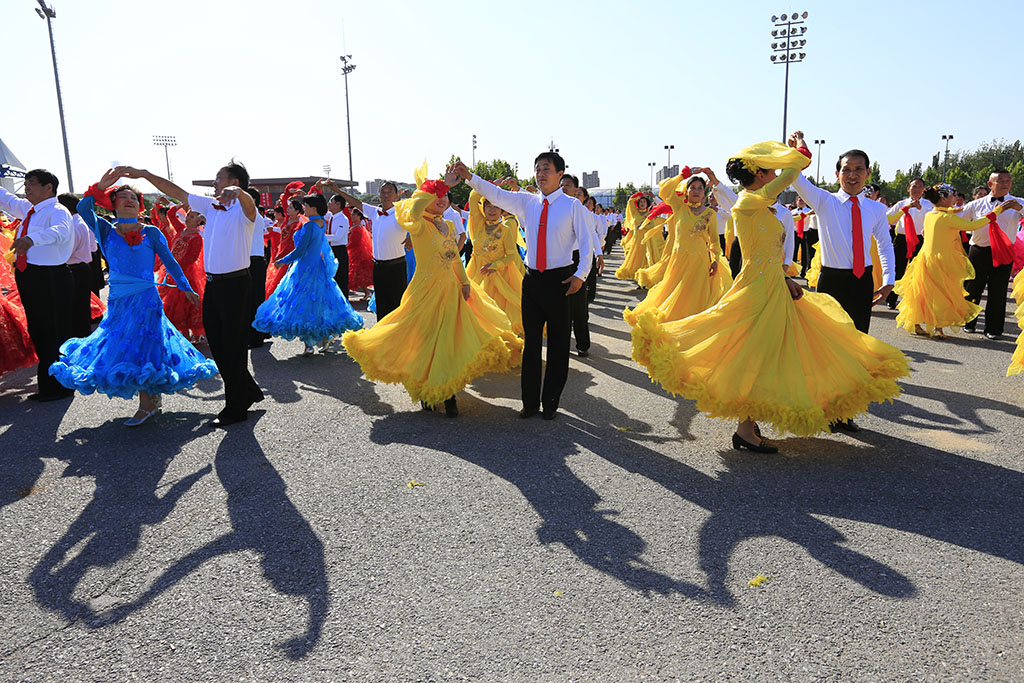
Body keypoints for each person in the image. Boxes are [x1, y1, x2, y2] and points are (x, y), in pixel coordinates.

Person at [630, 140, 908, 453]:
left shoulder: (759, 203)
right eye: (770, 171)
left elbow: (770, 252)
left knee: (767, 353)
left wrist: (785, 279)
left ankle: (748, 426)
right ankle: (745, 429)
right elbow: (788, 180)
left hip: (771, 285)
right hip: (757, 289)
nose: (774, 174)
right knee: (756, 353)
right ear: (760, 176)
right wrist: (799, 158)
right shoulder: (747, 202)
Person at [342, 170, 522, 417]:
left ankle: (448, 393)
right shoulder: (418, 225)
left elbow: (454, 258)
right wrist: (438, 185)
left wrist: (464, 282)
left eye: (445, 195)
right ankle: (428, 391)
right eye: (436, 195)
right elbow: (414, 209)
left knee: (447, 340)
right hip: (425, 292)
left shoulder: (448, 225)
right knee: (426, 340)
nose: (442, 199)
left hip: (450, 291)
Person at [50, 170, 217, 426]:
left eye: (133, 197)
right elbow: (84, 207)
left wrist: (185, 287)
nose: (129, 200)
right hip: (119, 300)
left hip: (146, 298)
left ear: (140, 206)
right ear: (113, 203)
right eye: (123, 197)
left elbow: (171, 262)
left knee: (145, 345)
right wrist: (101, 186)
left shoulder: (151, 232)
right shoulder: (104, 229)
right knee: (126, 345)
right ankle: (151, 399)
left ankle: (147, 404)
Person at [453, 153, 593, 419]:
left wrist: (580, 275)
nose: (541, 173)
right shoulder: (527, 202)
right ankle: (530, 403)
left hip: (560, 280)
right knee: (531, 343)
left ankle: (550, 402)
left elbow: (586, 244)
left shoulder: (572, 206)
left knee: (559, 343)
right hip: (532, 280)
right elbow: (494, 193)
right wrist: (470, 177)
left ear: (560, 173)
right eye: (538, 169)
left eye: (547, 169)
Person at [123, 161, 263, 427]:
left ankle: (236, 408)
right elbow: (176, 191)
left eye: (219, 178)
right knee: (218, 344)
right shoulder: (210, 206)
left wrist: (239, 191)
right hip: (213, 284)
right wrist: (144, 174)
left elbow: (248, 205)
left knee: (232, 346)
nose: (215, 182)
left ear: (234, 181)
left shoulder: (245, 210)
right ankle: (249, 391)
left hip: (236, 284)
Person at [788, 132, 895, 340]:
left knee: (858, 338)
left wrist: (889, 279)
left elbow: (885, 245)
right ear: (837, 174)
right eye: (846, 170)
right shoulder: (824, 201)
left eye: (858, 169)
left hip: (863, 280)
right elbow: (794, 177)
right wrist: (798, 148)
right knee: (827, 340)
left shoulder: (876, 209)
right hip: (831, 280)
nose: (852, 175)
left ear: (868, 173)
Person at [893, 183, 1020, 338]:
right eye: (952, 195)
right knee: (941, 294)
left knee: (923, 292)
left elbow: (940, 219)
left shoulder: (931, 214)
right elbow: (974, 225)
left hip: (926, 259)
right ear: (944, 198)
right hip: (941, 261)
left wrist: (953, 211)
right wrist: (997, 211)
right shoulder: (947, 218)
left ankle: (918, 323)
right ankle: (937, 328)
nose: (955, 197)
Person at [624, 169, 731, 336]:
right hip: (679, 262)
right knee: (674, 296)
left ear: (705, 193)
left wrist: (715, 260)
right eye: (692, 187)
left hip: (700, 263)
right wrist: (684, 175)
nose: (696, 191)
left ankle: (691, 332)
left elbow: (714, 242)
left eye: (700, 188)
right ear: (686, 191)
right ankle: (671, 330)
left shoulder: (710, 213)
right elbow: (665, 190)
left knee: (696, 298)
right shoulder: (679, 207)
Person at [255, 193, 364, 355]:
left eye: (305, 206)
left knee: (303, 304)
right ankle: (319, 339)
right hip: (317, 267)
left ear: (313, 208)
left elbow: (300, 251)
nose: (303, 208)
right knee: (317, 303)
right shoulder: (321, 223)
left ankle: (310, 344)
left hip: (304, 269)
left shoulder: (309, 226)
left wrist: (281, 261)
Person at [0, 168, 75, 401]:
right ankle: (49, 386)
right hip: (31, 275)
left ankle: (59, 386)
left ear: (48, 187)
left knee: (53, 331)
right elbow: (7, 199)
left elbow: (61, 232)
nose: (26, 188)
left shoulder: (57, 210)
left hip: (51, 277)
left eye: (31, 183)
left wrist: (32, 239)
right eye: (26, 183)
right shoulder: (29, 210)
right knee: (40, 330)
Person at [320, 178, 409, 321]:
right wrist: (337, 190)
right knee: (382, 305)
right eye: (383, 192)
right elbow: (357, 202)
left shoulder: (403, 213)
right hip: (379, 267)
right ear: (379, 195)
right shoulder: (375, 212)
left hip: (396, 267)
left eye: (390, 192)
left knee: (397, 306)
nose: (386, 195)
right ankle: (382, 338)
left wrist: (412, 236)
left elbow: (422, 219)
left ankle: (399, 340)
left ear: (397, 195)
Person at [960, 169, 1023, 339]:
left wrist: (1020, 209)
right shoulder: (976, 204)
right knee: (973, 287)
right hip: (979, 250)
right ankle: (969, 322)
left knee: (998, 290)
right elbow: (960, 221)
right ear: (990, 184)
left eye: (1008, 181)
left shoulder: (1018, 202)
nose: (1005, 184)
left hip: (1004, 251)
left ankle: (993, 329)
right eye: (1000, 181)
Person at [465, 188, 525, 336]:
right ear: (483, 208)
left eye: (496, 207)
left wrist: (495, 266)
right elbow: (473, 198)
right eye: (489, 206)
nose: (492, 210)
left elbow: (511, 255)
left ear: (502, 210)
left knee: (498, 313)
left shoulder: (505, 230)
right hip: (476, 273)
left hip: (499, 276)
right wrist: (490, 187)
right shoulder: (477, 225)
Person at [160, 204, 206, 342]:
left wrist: (177, 272)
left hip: (185, 274)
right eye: (188, 215)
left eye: (192, 217)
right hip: (171, 272)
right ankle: (177, 336)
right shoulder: (181, 230)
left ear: (199, 221)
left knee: (184, 305)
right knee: (171, 304)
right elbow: (171, 214)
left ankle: (189, 337)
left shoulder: (197, 237)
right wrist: (183, 204)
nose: (187, 218)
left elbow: (192, 258)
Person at [884, 179, 933, 309]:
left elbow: (933, 217)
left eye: (920, 187)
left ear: (923, 189)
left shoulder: (928, 204)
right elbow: (887, 217)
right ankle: (892, 299)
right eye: (913, 186)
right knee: (897, 269)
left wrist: (920, 209)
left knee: (919, 271)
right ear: (908, 189)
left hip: (920, 240)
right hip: (902, 239)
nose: (916, 189)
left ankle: (915, 300)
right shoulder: (901, 203)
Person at [57, 192, 97, 339]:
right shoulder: (77, 222)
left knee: (75, 309)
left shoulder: (72, 225)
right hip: (81, 267)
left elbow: (66, 252)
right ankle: (82, 336)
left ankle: (78, 340)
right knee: (81, 307)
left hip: (74, 269)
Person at [325, 193, 350, 297]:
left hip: (339, 251)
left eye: (331, 202)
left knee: (340, 280)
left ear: (338, 204)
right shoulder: (332, 216)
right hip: (331, 250)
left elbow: (337, 237)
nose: (329, 204)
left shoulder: (343, 219)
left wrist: (322, 236)